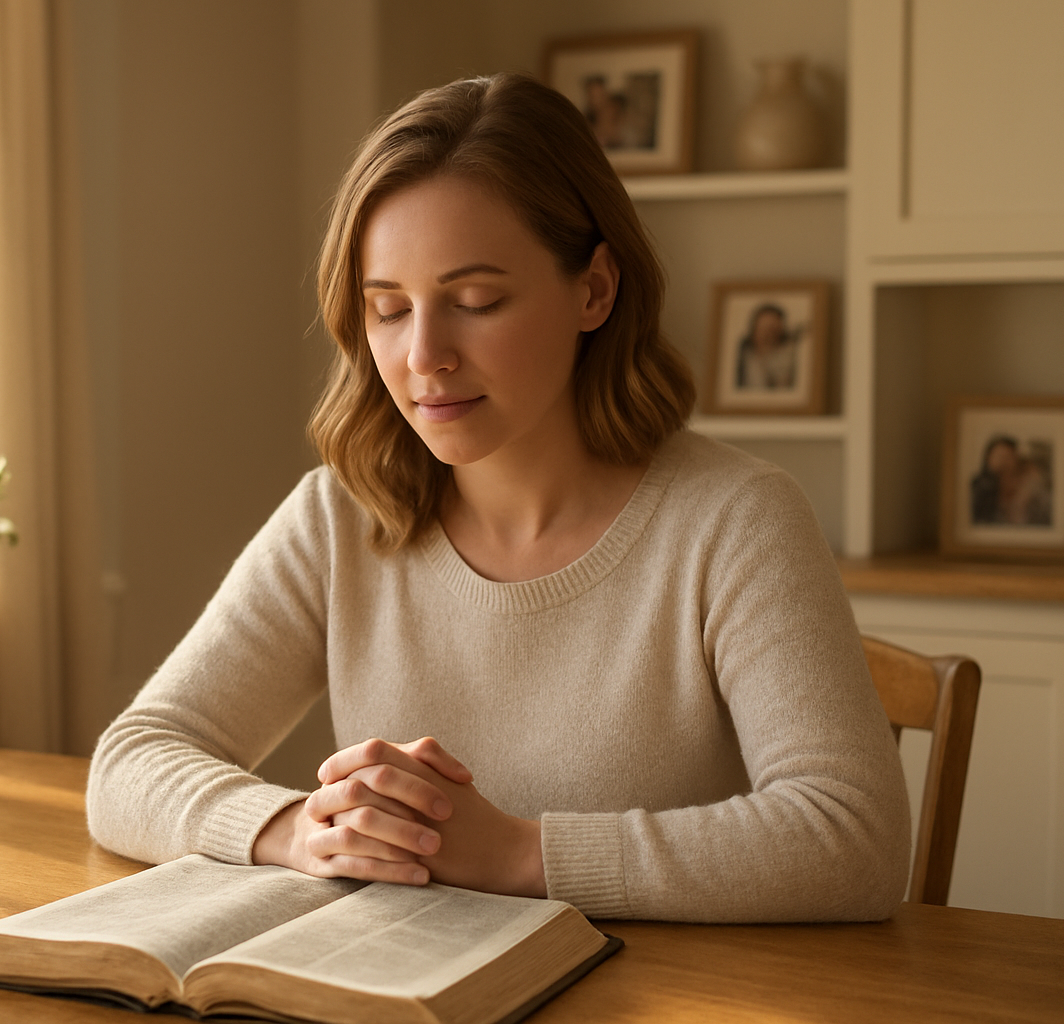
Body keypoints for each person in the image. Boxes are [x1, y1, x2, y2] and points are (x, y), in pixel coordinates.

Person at [87, 73, 911, 924]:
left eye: (475, 301)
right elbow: (132, 760)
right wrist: (297, 829)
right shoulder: (340, 516)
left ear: (594, 290)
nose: (423, 355)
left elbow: (855, 839)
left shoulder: (736, 522)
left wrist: (517, 852)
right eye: (389, 310)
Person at [735, 303, 802, 391]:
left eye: (773, 330)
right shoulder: (743, 354)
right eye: (764, 329)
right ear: (754, 329)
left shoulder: (788, 355)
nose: (768, 336)